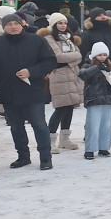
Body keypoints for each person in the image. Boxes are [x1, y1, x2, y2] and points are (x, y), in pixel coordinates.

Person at [0, 14, 58, 170]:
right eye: (9, 24)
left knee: (39, 125)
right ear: (4, 27)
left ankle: (46, 158)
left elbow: (50, 61)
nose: (13, 26)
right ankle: (23, 156)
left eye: (16, 23)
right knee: (16, 127)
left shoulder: (36, 40)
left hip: (33, 90)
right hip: (9, 93)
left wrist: (31, 72)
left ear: (22, 24)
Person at [39, 12, 84, 154]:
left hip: (72, 75)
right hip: (59, 76)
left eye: (64, 23)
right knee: (61, 108)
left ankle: (65, 138)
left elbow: (80, 55)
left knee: (70, 106)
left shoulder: (69, 38)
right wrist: (74, 57)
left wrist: (71, 58)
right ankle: (50, 139)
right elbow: (58, 57)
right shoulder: (49, 38)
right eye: (60, 23)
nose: (63, 26)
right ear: (53, 24)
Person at [78, 42, 111, 160]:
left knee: (106, 126)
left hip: (108, 100)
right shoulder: (88, 65)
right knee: (93, 126)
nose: (102, 57)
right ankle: (90, 149)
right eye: (99, 55)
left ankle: (104, 147)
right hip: (94, 100)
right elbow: (82, 75)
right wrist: (96, 68)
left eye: (104, 55)